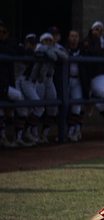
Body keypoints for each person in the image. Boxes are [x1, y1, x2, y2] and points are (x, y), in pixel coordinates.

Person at [23, 33, 68, 144]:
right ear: (41, 41)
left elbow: (65, 57)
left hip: (49, 79)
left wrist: (53, 51)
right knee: (38, 107)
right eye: (46, 40)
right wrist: (52, 51)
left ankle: (44, 134)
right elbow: (53, 56)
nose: (48, 42)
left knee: (53, 107)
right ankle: (32, 133)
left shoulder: (54, 48)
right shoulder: (39, 48)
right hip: (38, 80)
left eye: (50, 40)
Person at [82, 21, 104, 138]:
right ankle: (74, 131)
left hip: (100, 72)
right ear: (92, 30)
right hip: (88, 73)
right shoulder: (87, 40)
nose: (99, 31)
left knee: (99, 92)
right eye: (96, 29)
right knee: (96, 102)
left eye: (101, 29)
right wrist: (101, 53)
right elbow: (92, 52)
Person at [0, 20, 24, 148]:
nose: (1, 34)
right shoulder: (7, 45)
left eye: (4, 32)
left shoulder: (9, 43)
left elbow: (20, 50)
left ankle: (7, 137)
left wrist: (7, 48)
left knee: (17, 97)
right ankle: (3, 137)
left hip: (4, 83)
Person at [64, 29, 90, 142]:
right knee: (63, 105)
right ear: (68, 38)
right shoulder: (64, 49)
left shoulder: (83, 50)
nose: (74, 38)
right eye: (72, 36)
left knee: (76, 104)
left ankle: (73, 131)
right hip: (66, 79)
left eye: (76, 36)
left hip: (78, 80)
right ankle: (64, 132)